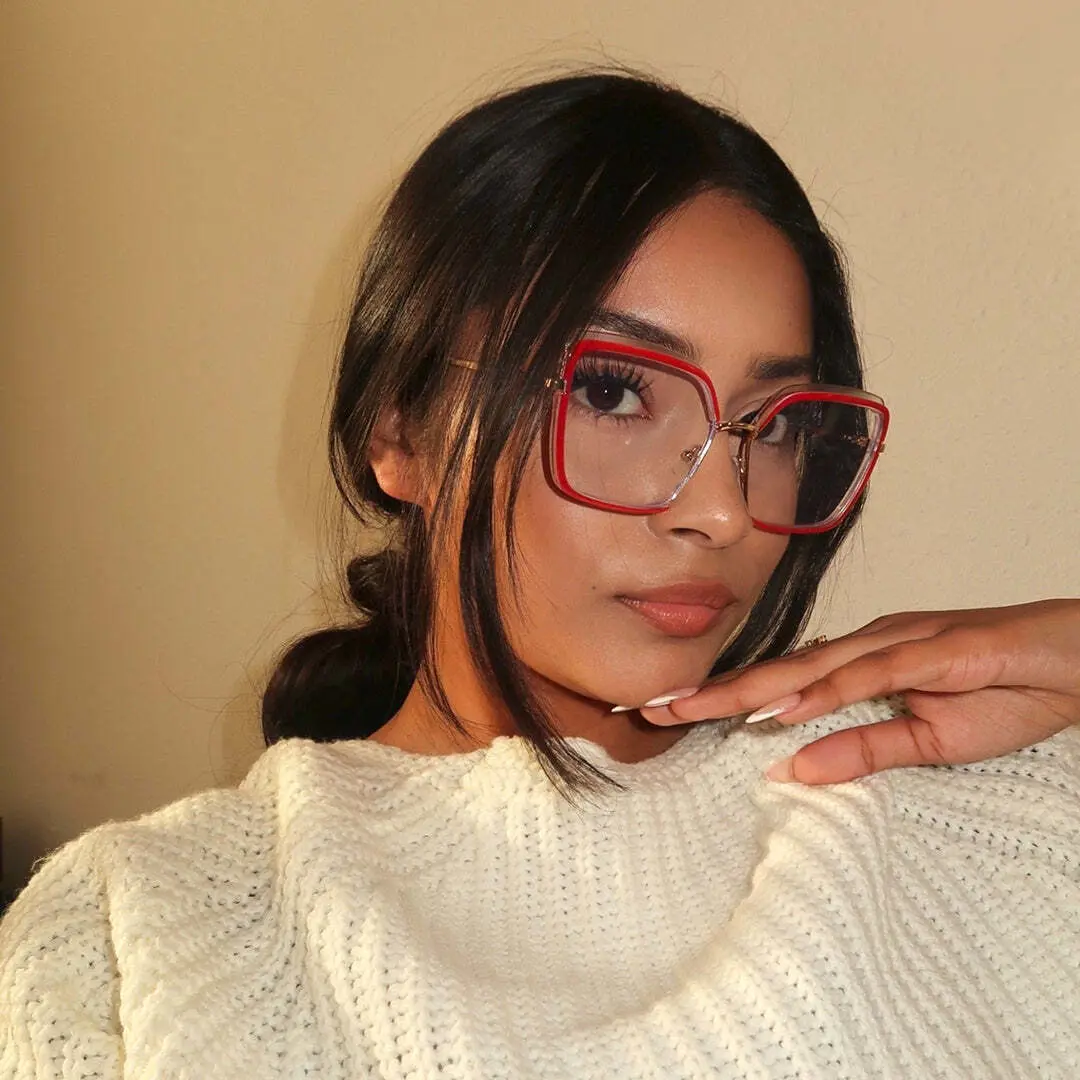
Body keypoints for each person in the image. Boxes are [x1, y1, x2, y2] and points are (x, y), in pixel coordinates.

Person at [1, 70, 1078, 1080]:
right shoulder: (132, 927)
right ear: (400, 431)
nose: (721, 509)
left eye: (776, 423)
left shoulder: (957, 792)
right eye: (613, 391)